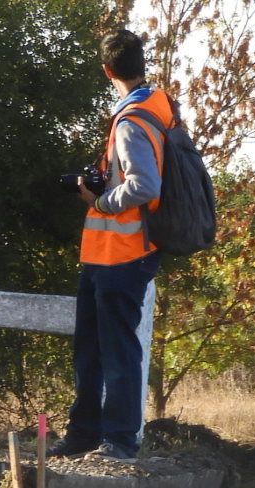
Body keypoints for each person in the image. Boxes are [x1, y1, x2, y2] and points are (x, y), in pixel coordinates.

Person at [60, 29, 171, 462]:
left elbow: (144, 186)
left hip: (124, 254)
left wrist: (102, 198)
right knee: (91, 346)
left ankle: (118, 441)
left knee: (117, 349)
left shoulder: (131, 121)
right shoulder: (157, 110)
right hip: (110, 254)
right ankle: (86, 434)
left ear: (107, 71)